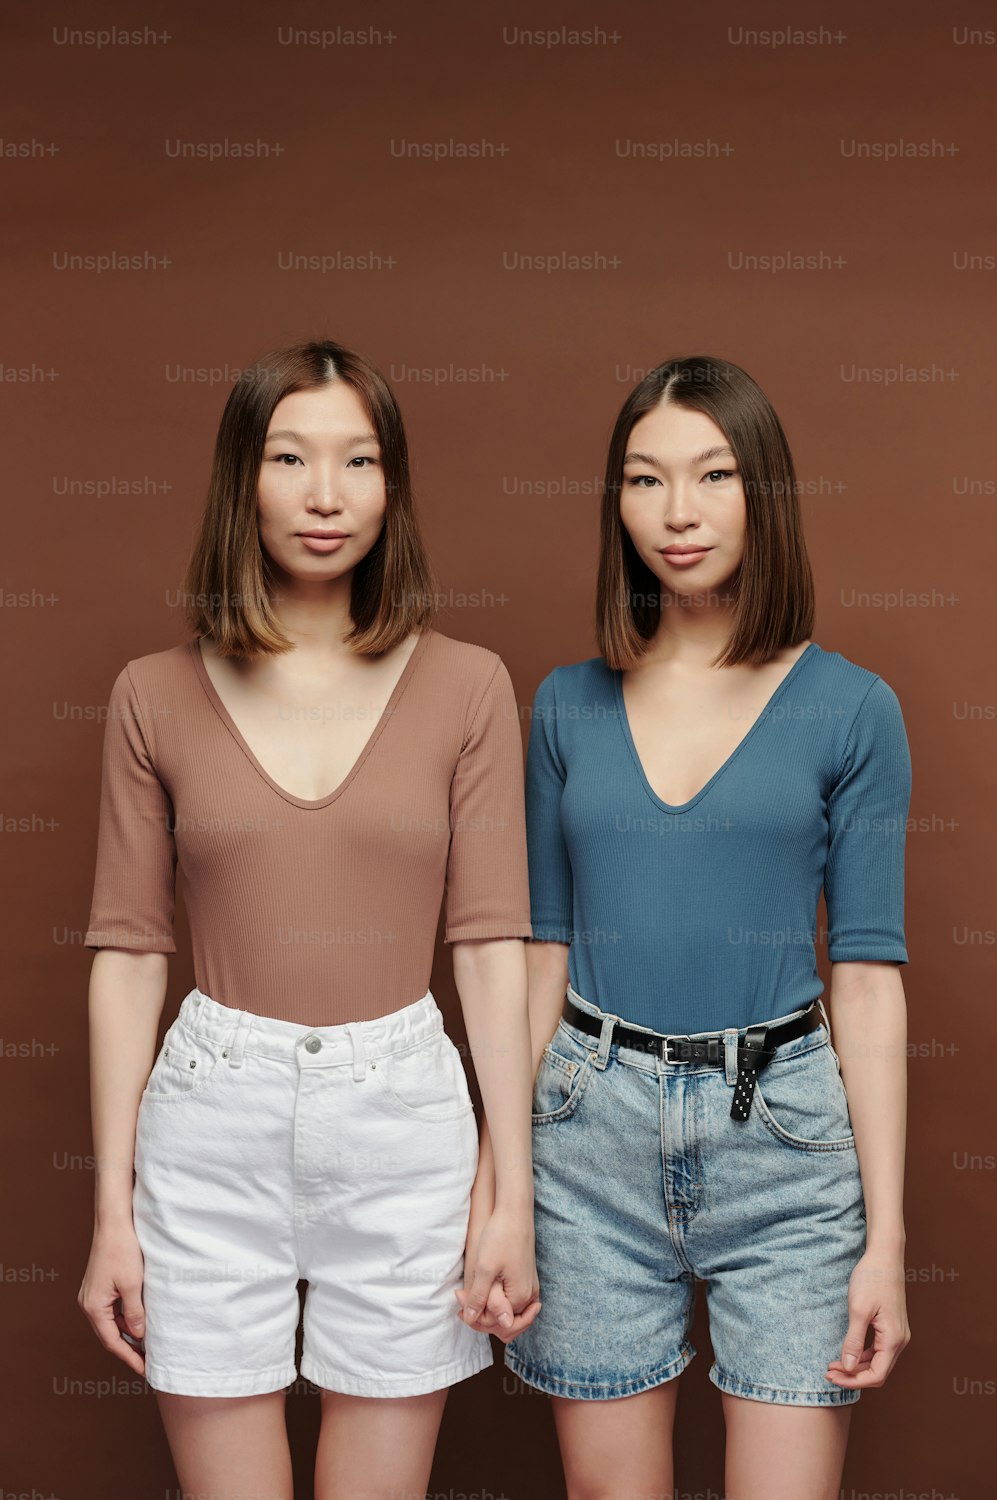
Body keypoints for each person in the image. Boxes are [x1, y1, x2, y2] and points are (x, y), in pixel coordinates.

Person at [77, 339, 541, 1500]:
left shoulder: (469, 685)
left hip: (404, 1122)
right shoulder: (151, 692)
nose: (326, 494)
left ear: (393, 487)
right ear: (245, 479)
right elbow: (130, 956)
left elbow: (491, 948)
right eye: (291, 458)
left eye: (359, 460)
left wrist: (509, 1197)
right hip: (208, 1123)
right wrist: (110, 1216)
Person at [489, 355, 912, 1500]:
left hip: (785, 1137)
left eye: (712, 476)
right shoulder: (562, 705)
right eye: (644, 480)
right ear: (614, 504)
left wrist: (888, 1241)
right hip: (587, 1133)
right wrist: (505, 1192)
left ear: (760, 492)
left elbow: (868, 980)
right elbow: (539, 952)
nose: (677, 513)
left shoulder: (853, 709)